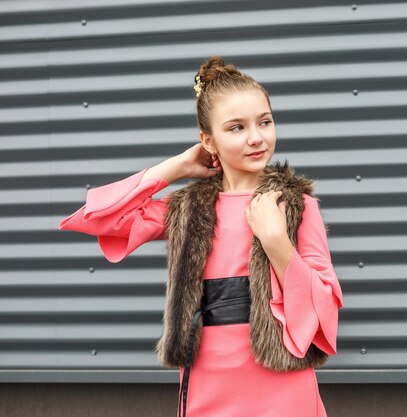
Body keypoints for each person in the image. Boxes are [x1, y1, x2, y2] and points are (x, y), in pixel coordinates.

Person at [58, 56, 343, 417]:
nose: (256, 137)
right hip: (208, 381)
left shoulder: (296, 205)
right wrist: (174, 168)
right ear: (208, 140)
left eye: (265, 122)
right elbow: (98, 219)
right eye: (236, 128)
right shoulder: (189, 209)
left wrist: (277, 243)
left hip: (282, 384)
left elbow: (325, 309)